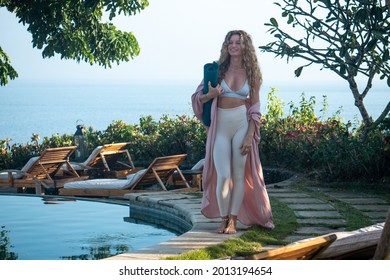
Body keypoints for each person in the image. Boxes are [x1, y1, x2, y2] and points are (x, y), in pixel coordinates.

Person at [191, 30, 274, 234]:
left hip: (241, 125)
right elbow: (197, 98)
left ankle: (233, 221)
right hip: (220, 127)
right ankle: (223, 218)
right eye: (230, 42)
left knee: (238, 175)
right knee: (223, 175)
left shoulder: (252, 73)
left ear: (245, 46)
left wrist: (249, 136)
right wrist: (210, 95)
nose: (233, 45)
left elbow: (255, 109)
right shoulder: (217, 70)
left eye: (238, 42)